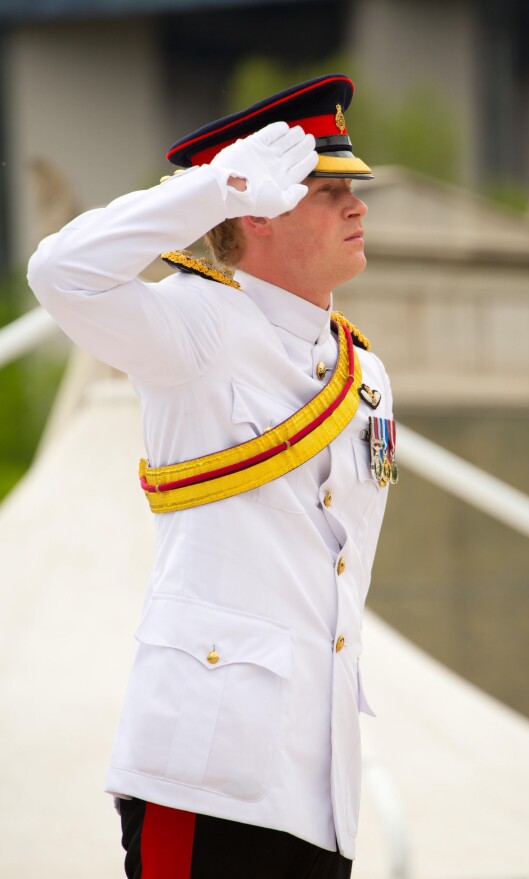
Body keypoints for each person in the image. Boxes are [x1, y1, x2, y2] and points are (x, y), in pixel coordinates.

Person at [28, 73, 396, 879]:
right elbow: (60, 273)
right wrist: (215, 185)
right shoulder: (194, 325)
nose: (356, 206)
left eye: (353, 190)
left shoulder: (363, 372)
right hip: (206, 769)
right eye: (327, 192)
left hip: (319, 781)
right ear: (258, 210)